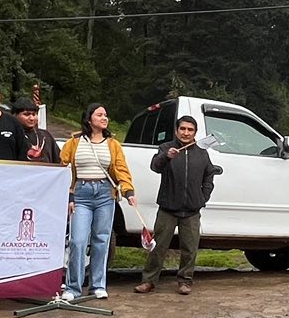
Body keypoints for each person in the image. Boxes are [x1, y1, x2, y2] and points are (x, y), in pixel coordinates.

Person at [136, 115, 219, 296]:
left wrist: (202, 197)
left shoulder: (201, 152)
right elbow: (155, 166)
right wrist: (167, 156)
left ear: (195, 133)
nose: (186, 133)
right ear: (176, 130)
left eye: (190, 130)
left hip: (191, 210)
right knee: (158, 247)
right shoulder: (166, 148)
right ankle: (148, 281)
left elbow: (209, 176)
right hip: (168, 207)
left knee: (190, 248)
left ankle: (185, 281)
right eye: (182, 129)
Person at [59, 103, 134, 302]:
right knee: (77, 241)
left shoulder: (112, 144)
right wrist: (69, 196)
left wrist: (128, 190)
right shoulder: (74, 142)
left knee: (101, 240)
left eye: (106, 115)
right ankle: (73, 287)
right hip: (81, 193)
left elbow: (121, 169)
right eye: (99, 114)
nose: (104, 118)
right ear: (89, 118)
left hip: (104, 194)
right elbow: (62, 168)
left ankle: (98, 285)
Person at [0, 89, 61, 164]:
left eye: (34, 114)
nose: (31, 118)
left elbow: (59, 161)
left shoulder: (45, 135)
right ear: (15, 115)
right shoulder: (9, 135)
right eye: (26, 114)